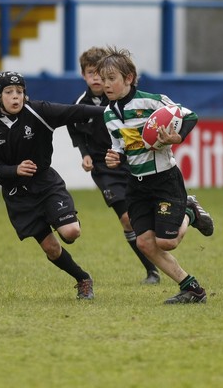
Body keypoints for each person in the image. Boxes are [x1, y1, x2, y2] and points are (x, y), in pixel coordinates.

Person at [95, 47, 214, 304]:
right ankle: (192, 288)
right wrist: (113, 157)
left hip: (164, 180)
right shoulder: (108, 114)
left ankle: (190, 210)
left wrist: (177, 137)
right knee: (145, 243)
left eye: (112, 78)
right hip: (136, 185)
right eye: (103, 79)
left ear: (129, 78)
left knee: (167, 242)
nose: (106, 84)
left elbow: (189, 115)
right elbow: (120, 147)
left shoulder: (152, 101)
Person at [0, 71, 106, 300]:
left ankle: (63, 217)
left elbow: (74, 112)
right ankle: (83, 279)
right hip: (18, 194)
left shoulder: (39, 111)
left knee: (71, 232)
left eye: (20, 92)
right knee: (51, 249)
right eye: (9, 92)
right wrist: (15, 169)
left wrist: (109, 112)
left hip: (45, 183)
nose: (16, 97)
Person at [67, 46, 160, 284]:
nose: (97, 79)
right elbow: (73, 127)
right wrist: (84, 153)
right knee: (127, 219)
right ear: (83, 75)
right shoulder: (81, 103)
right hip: (104, 167)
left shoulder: (121, 98)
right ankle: (152, 270)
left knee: (150, 208)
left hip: (130, 160)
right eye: (91, 73)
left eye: (102, 73)